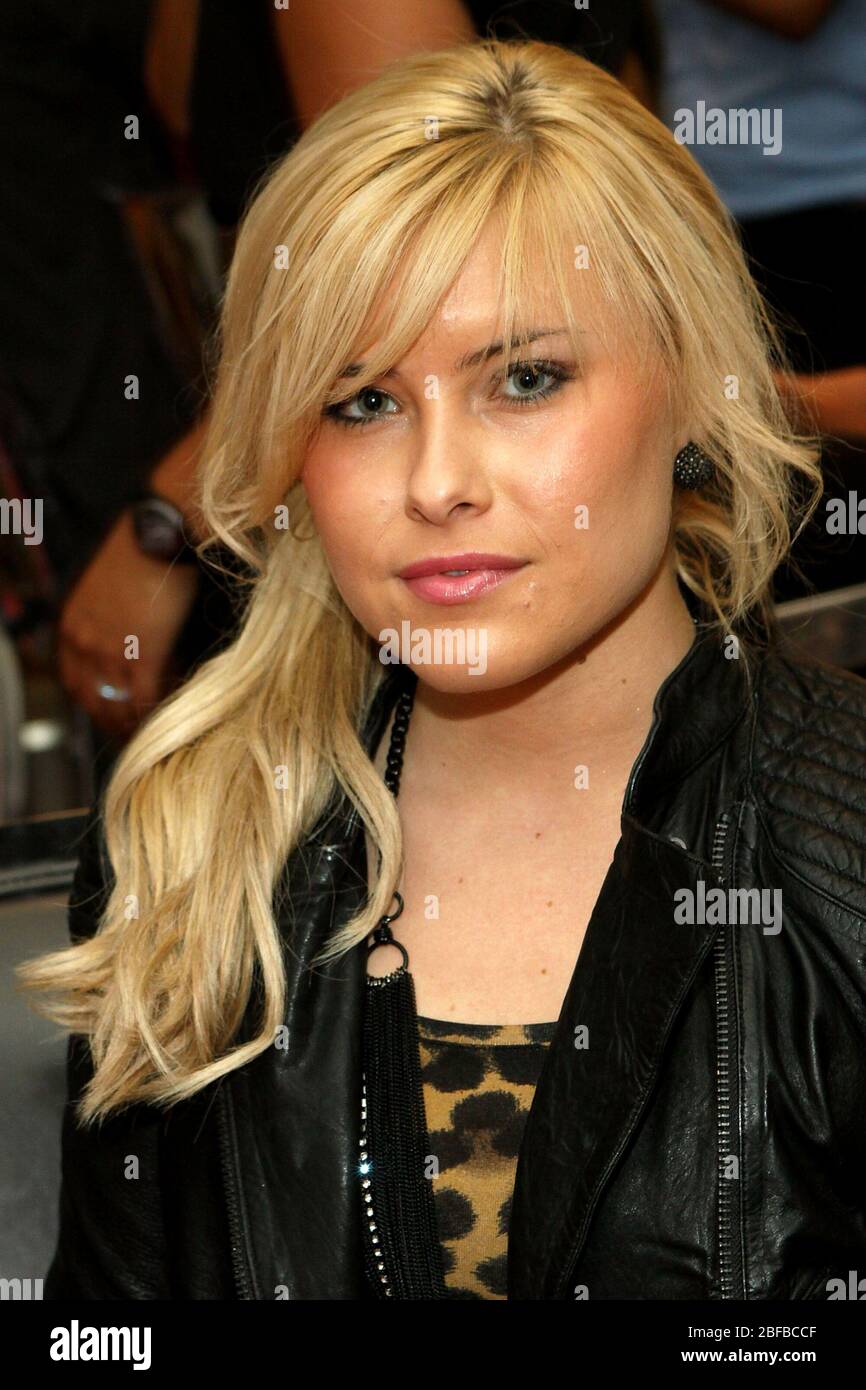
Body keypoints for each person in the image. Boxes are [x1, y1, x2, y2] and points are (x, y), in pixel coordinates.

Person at [18, 38, 866, 1301]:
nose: (434, 482)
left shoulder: (836, 856)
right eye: (360, 401)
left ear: (691, 386)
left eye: (525, 379)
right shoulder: (192, 844)